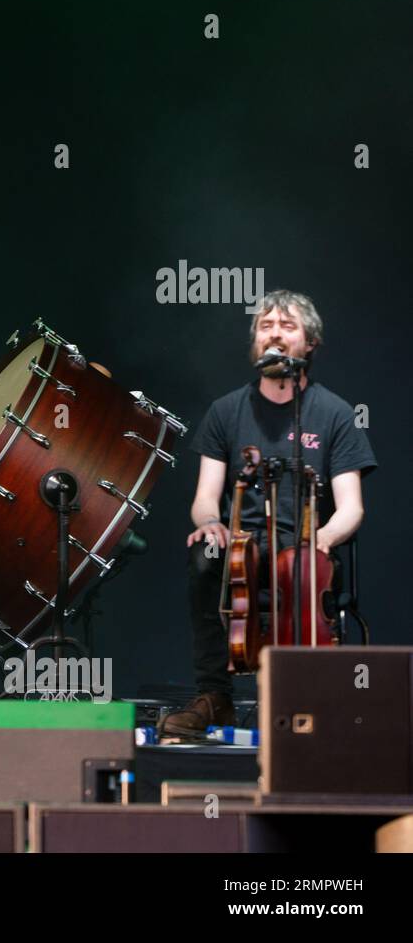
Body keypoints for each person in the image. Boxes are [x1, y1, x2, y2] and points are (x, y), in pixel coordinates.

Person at [159, 290, 377, 736]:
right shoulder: (225, 411)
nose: (274, 333)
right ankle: (215, 695)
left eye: (287, 326)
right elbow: (205, 498)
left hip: (303, 544)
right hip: (241, 542)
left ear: (309, 343)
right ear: (255, 342)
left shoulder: (334, 413)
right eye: (265, 325)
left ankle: (298, 699)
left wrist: (326, 537)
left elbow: (351, 506)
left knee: (299, 565)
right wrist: (209, 524)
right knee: (206, 558)